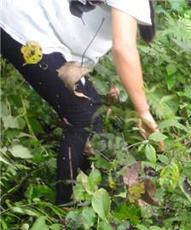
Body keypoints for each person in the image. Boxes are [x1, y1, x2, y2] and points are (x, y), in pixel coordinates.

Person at [1, 0, 160, 204]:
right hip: (24, 25)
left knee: (91, 117)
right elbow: (124, 48)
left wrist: (110, 80)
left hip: (35, 26)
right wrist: (144, 111)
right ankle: (67, 210)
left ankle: (86, 198)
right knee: (84, 116)